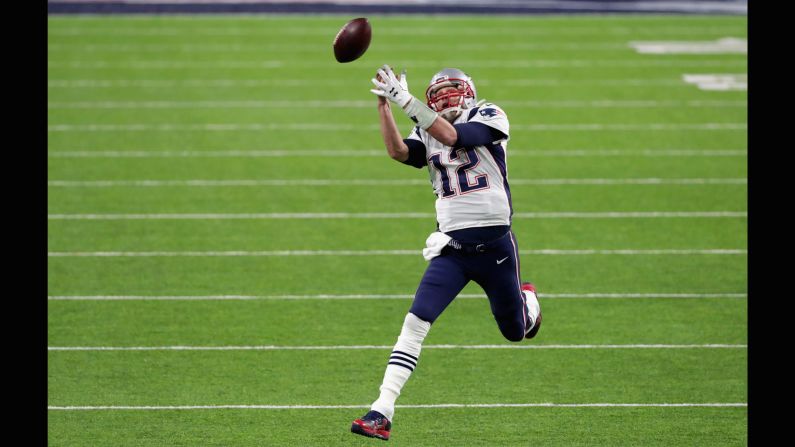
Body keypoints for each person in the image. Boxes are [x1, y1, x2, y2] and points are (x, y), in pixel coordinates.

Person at [350, 65, 542, 441]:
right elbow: (399, 151)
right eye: (436, 92)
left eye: (451, 89)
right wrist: (383, 106)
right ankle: (381, 411)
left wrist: (405, 100)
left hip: (496, 250)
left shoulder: (489, 114)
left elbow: (454, 136)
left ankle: (528, 301)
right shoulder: (424, 125)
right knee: (414, 324)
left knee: (515, 331)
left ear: (469, 91)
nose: (443, 97)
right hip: (452, 250)